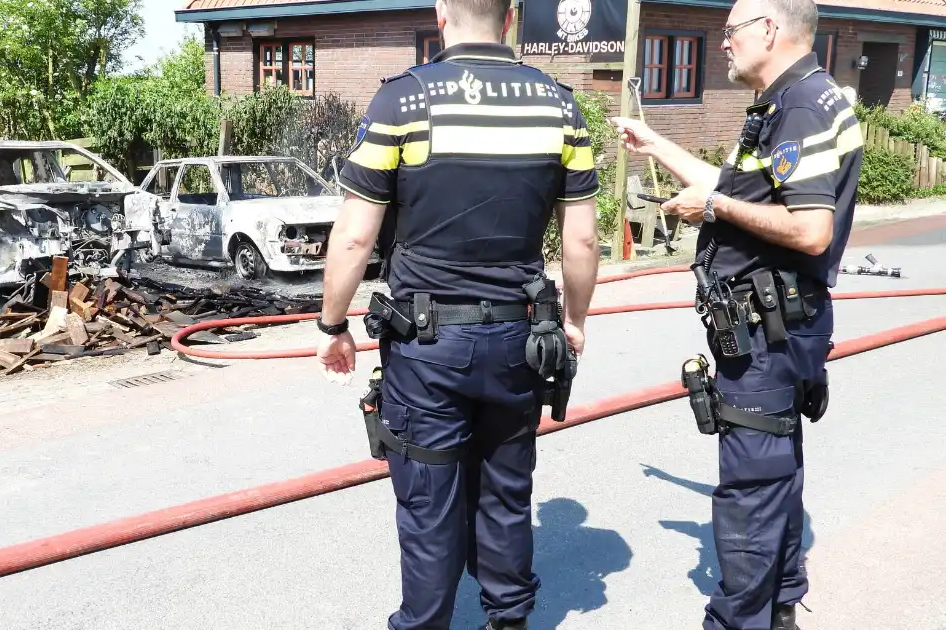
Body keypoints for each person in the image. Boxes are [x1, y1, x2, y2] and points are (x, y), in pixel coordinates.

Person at [313, 0, 601, 627]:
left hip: (426, 346)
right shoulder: (559, 107)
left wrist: (332, 325)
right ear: (513, 16)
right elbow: (580, 242)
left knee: (429, 502)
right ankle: (509, 619)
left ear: (442, 11)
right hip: (521, 338)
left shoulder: (402, 102)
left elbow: (356, 238)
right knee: (506, 489)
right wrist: (576, 318)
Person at [610, 0, 863, 627]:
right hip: (777, 327)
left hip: (766, 334)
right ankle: (779, 605)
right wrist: (656, 142)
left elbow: (809, 231)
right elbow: (730, 184)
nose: (723, 44)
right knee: (775, 468)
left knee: (750, 487)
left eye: (730, 33)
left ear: (770, 30)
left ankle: (738, 619)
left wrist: (716, 210)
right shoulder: (797, 99)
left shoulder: (800, 108)